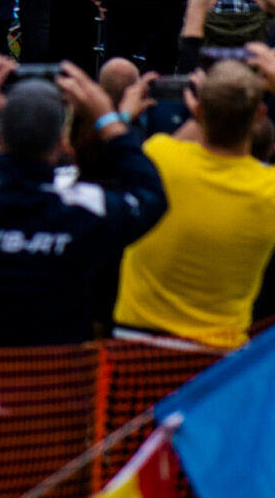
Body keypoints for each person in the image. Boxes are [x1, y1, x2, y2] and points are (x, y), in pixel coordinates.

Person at [0, 57, 167, 346]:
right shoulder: (84, 210)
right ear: (61, 144)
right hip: (56, 383)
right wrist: (111, 122)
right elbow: (151, 196)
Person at [112, 56, 275, 350]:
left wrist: (124, 115)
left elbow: (113, 147)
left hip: (136, 349)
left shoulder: (158, 155)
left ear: (197, 109)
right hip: (217, 363)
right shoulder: (269, 189)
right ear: (260, 115)